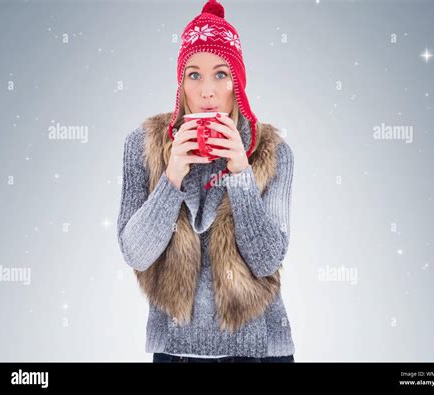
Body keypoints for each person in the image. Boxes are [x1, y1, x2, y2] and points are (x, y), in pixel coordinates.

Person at [117, 0, 295, 363]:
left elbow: (267, 261)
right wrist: (171, 177)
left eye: (221, 74)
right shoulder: (143, 145)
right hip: (176, 350)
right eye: (194, 75)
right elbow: (135, 253)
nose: (207, 91)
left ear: (238, 84)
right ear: (180, 84)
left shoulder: (272, 151)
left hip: (259, 349)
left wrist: (241, 174)